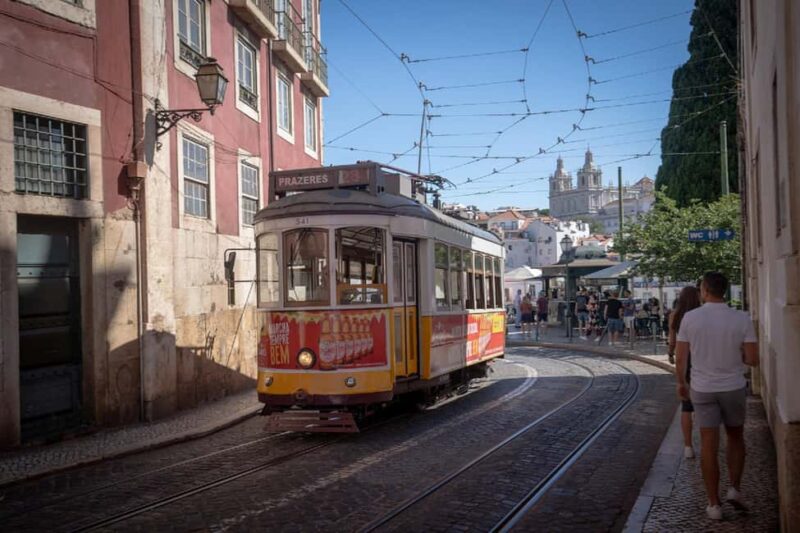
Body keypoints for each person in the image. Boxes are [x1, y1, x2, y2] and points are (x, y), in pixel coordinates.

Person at [675, 272, 759, 521]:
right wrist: (736, 357)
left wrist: (681, 382)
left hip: (702, 388)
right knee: (735, 437)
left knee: (708, 445)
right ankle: (734, 488)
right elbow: (753, 359)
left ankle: (713, 504)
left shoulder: (690, 318)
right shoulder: (741, 318)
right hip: (733, 386)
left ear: (705, 290)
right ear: (724, 291)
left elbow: (681, 358)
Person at [668, 286, 702, 460]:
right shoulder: (702, 315)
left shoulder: (675, 315)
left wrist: (670, 353)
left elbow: (672, 339)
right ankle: (707, 442)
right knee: (705, 405)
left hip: (685, 362)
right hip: (701, 360)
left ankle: (688, 446)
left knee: (686, 406)